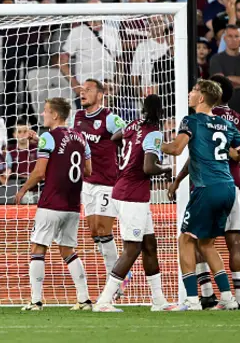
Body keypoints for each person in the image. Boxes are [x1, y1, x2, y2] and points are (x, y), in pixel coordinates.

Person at [161, 79, 240, 311]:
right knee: (207, 244)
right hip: (228, 187)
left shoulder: (191, 121)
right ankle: (227, 298)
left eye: (193, 90)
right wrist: (229, 153)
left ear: (201, 98)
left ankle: (192, 300)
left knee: (185, 239)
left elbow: (176, 149)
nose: (190, 93)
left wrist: (154, 144)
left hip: (206, 187)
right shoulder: (225, 124)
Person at [93, 95, 173, 312]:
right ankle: (104, 300)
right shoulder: (154, 132)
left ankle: (158, 301)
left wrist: (130, 152)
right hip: (132, 195)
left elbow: (115, 138)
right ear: (161, 111)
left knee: (149, 245)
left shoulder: (134, 124)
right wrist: (168, 169)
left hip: (127, 191)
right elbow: (149, 168)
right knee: (133, 248)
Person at [16, 98, 92, 311]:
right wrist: (41, 141)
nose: (43, 115)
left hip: (51, 202)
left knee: (38, 248)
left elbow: (40, 172)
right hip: (73, 204)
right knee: (68, 250)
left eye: (46, 111)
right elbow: (88, 170)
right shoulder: (80, 137)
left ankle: (36, 300)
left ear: (55, 115)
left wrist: (22, 189)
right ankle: (84, 299)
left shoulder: (48, 137)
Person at [72, 79, 126, 285]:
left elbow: (128, 135)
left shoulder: (110, 118)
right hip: (86, 182)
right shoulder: (77, 117)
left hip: (107, 182)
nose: (82, 93)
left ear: (100, 95)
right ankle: (118, 272)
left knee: (104, 230)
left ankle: (116, 280)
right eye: (81, 90)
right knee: (94, 231)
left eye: (88, 90)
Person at [210, 25, 240, 125]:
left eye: (236, 36)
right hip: (224, 113)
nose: (233, 39)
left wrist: (228, 78)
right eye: (230, 36)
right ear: (224, 38)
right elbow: (220, 85)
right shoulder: (216, 59)